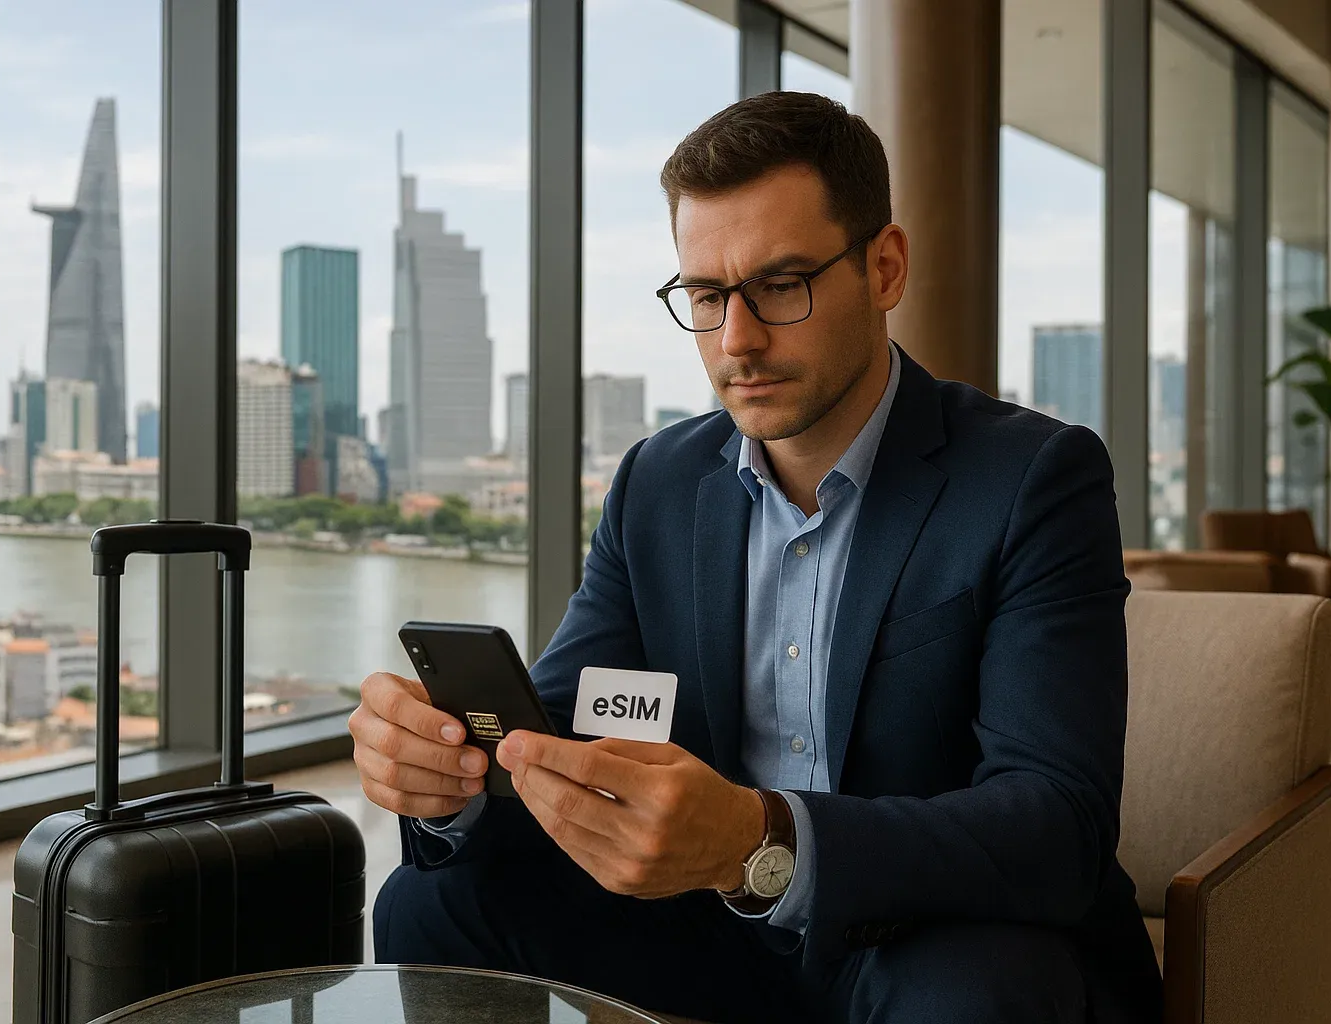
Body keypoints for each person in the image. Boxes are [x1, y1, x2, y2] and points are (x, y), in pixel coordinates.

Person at [350, 91, 1163, 1024]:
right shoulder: (658, 480)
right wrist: (448, 777)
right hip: (710, 932)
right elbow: (566, 728)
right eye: (705, 296)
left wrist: (760, 840)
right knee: (429, 901)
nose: (737, 339)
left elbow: (1055, 822)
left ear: (885, 267)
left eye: (782, 285)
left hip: (929, 931)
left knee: (979, 997)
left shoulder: (1031, 479)